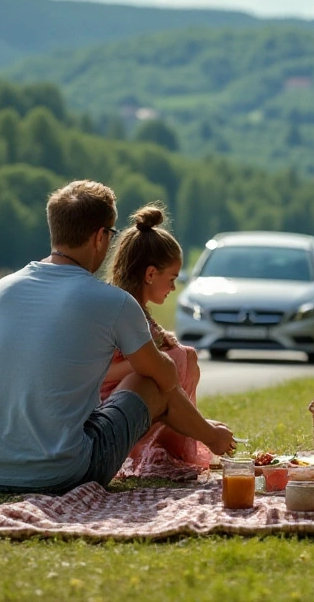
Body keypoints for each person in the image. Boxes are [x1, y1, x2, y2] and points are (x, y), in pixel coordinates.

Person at [0, 180, 236, 494]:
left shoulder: (2, 289)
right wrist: (209, 433)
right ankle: (198, 446)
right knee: (150, 380)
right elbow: (165, 378)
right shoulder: (112, 302)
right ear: (99, 237)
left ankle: (198, 440)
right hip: (60, 475)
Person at [100, 202, 213, 478]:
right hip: (111, 410)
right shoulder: (118, 311)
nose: (174, 288)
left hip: (136, 400)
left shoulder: (138, 311)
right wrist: (147, 361)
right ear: (150, 274)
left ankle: (174, 444)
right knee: (176, 359)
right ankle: (159, 450)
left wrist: (162, 348)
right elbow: (100, 374)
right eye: (172, 278)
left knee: (185, 355)